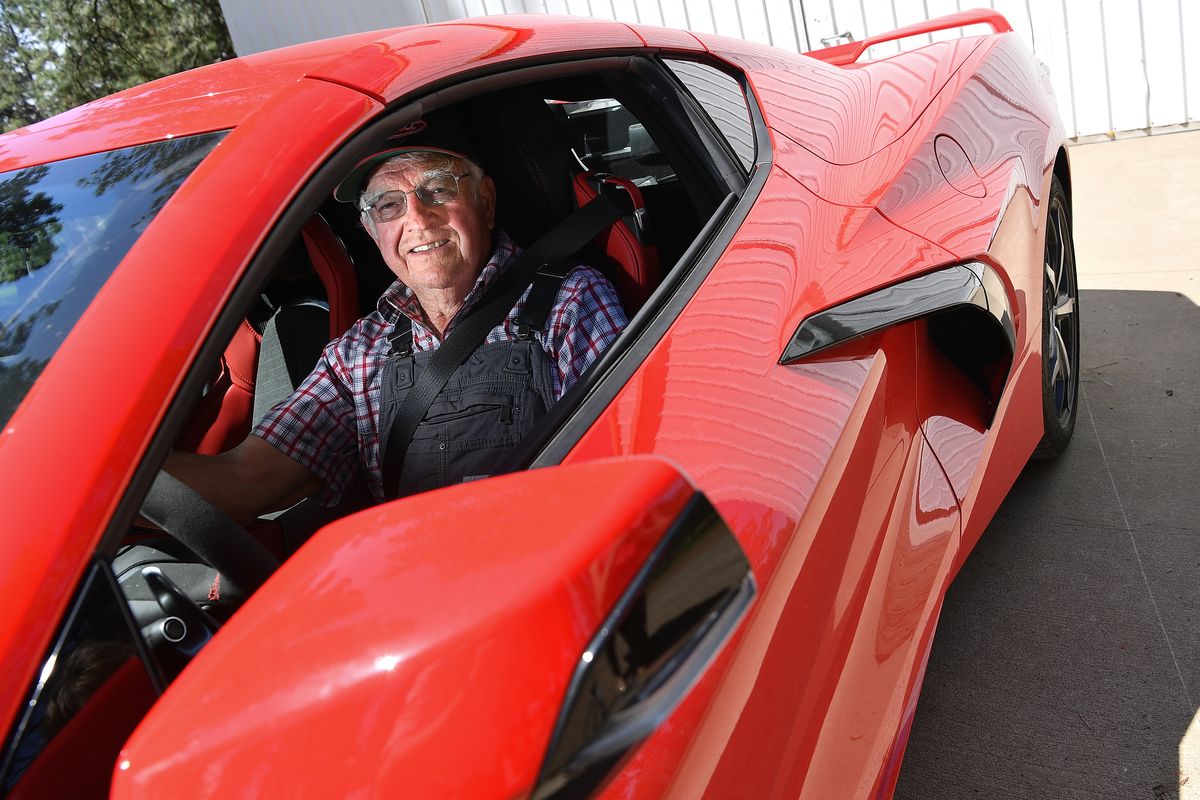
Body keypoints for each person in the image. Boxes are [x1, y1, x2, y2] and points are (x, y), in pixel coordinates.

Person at [167, 117, 627, 521]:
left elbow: (620, 462)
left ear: (485, 201)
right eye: (388, 204)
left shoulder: (568, 299)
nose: (418, 220)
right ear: (371, 231)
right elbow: (250, 479)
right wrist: (108, 479)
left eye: (439, 188)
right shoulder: (359, 353)